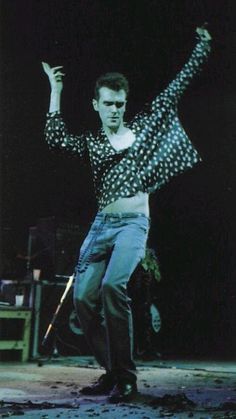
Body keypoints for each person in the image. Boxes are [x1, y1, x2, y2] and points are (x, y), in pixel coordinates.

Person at [42, 26, 211, 402]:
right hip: (101, 226)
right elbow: (55, 139)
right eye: (109, 103)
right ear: (96, 105)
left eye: (120, 103)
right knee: (83, 299)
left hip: (133, 225)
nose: (116, 110)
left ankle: (128, 377)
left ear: (124, 104)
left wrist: (202, 48)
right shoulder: (92, 143)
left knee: (112, 287)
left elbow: (175, 88)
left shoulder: (143, 130)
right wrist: (55, 90)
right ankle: (111, 371)